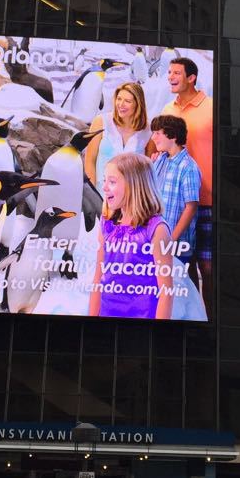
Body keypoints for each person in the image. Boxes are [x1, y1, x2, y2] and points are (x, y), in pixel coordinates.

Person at [156, 57, 213, 315]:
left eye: (176, 72)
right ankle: (189, 315)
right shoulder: (168, 108)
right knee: (182, 265)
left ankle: (210, 318)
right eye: (168, 72)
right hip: (175, 205)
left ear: (191, 77)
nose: (170, 76)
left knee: (208, 267)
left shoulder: (211, 108)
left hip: (208, 200)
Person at [88, 153, 173, 320]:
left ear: (135, 186)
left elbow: (166, 293)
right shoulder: (106, 224)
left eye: (112, 182)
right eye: (105, 180)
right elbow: (98, 278)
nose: (104, 187)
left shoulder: (157, 229)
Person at [149, 114, 201, 273]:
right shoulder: (159, 160)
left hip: (176, 246)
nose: (153, 137)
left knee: (180, 291)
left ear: (172, 135)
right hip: (155, 241)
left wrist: (171, 241)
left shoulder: (188, 167)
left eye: (158, 133)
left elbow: (190, 208)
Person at [84, 82, 150, 190]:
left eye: (127, 101)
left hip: (132, 197)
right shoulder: (101, 122)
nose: (121, 104)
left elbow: (148, 170)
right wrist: (93, 195)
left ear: (138, 104)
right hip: (102, 194)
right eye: (119, 99)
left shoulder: (148, 130)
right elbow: (89, 161)